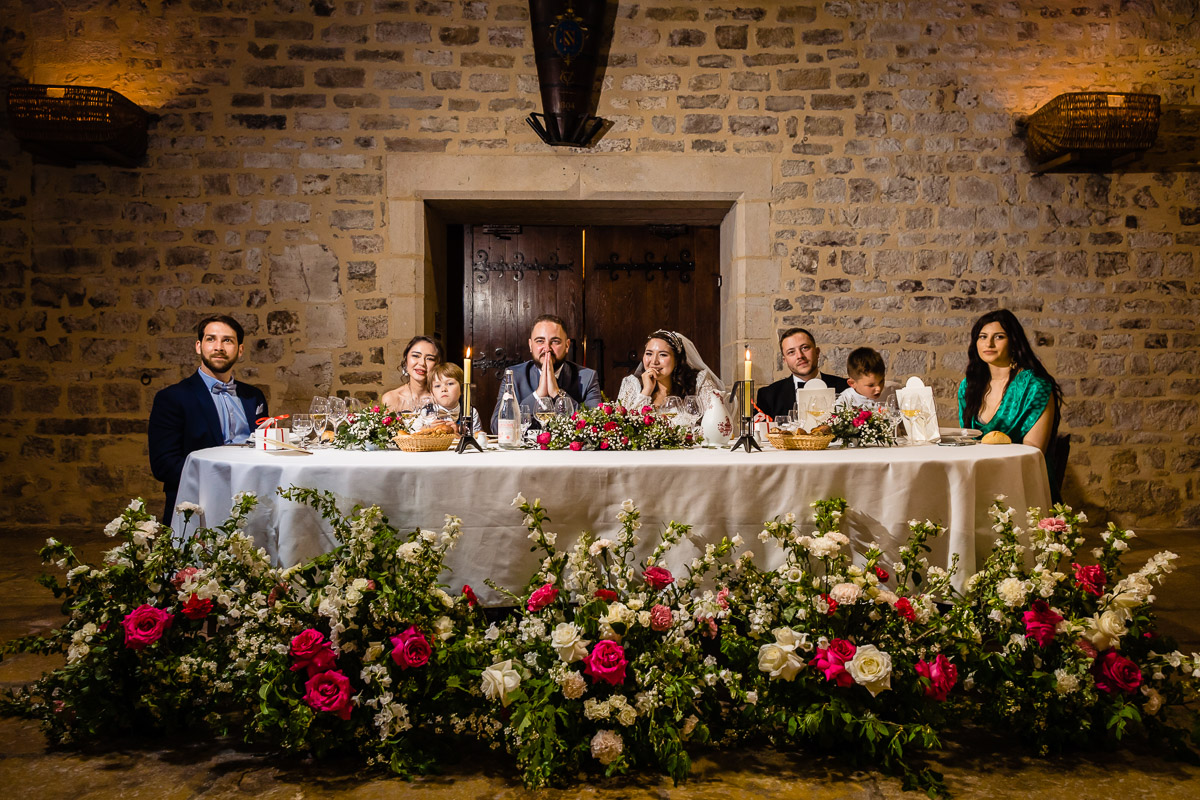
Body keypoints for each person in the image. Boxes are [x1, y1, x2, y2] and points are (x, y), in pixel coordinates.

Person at [148, 315, 268, 520]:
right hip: (197, 504)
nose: (219, 347)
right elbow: (164, 466)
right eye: (211, 339)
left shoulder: (254, 396)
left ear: (240, 350)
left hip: (252, 502)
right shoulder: (172, 398)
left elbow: (264, 446)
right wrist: (222, 482)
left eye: (227, 340)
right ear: (198, 346)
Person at [491, 314, 601, 431]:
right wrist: (538, 395)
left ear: (567, 345)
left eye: (555, 341)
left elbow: (596, 426)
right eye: (540, 341)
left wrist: (558, 394)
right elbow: (497, 428)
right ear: (530, 345)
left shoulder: (587, 377)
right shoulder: (513, 376)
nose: (547, 348)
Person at [617, 330, 725, 428]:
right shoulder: (631, 384)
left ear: (677, 360)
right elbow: (623, 428)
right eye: (649, 353)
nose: (654, 361)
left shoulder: (699, 382)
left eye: (663, 355)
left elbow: (718, 424)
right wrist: (646, 392)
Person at [756, 327, 849, 419]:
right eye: (791, 352)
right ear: (785, 360)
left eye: (805, 348)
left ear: (817, 352)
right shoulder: (768, 396)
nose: (800, 356)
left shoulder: (846, 389)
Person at [382, 335, 442, 412]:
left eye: (429, 358)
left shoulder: (442, 397)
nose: (422, 363)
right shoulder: (391, 398)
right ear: (406, 360)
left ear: (437, 364)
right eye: (416, 356)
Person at [423, 362, 485, 436]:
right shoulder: (425, 412)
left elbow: (479, 438)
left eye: (450, 384)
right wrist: (427, 429)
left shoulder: (470, 412)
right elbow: (413, 435)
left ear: (462, 389)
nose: (443, 389)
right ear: (431, 392)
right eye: (437, 386)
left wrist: (461, 431)